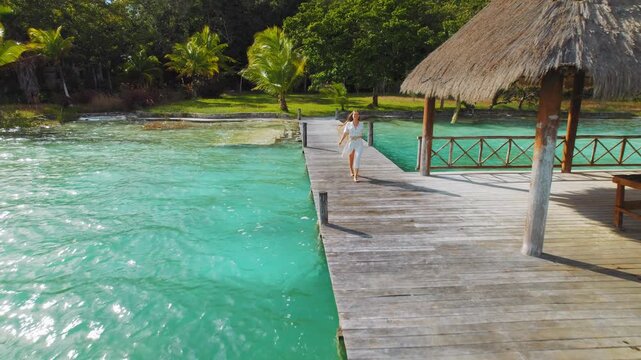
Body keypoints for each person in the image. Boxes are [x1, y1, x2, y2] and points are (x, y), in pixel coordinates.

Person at [338, 111, 367, 182]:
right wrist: (341, 141)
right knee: (351, 156)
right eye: (354, 114)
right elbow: (345, 133)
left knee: (357, 158)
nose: (355, 115)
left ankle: (356, 176)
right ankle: (351, 170)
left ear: (358, 116)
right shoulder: (348, 124)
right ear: (352, 115)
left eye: (357, 114)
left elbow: (362, 133)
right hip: (351, 142)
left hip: (359, 143)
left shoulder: (361, 124)